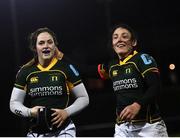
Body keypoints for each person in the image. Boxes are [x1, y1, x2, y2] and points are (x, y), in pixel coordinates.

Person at [9, 27, 89, 137]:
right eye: (41, 43)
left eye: (50, 42)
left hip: (64, 131)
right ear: (34, 47)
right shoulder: (25, 71)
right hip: (36, 133)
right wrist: (30, 112)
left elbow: (84, 98)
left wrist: (66, 112)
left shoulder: (66, 68)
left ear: (55, 45)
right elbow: (14, 103)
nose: (46, 46)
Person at [96, 23, 168, 137]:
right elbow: (84, 70)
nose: (119, 40)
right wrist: (62, 58)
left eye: (124, 36)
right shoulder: (112, 66)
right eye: (115, 37)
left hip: (149, 127)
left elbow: (156, 87)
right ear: (112, 44)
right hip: (122, 128)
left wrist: (137, 105)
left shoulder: (142, 59)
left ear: (133, 42)